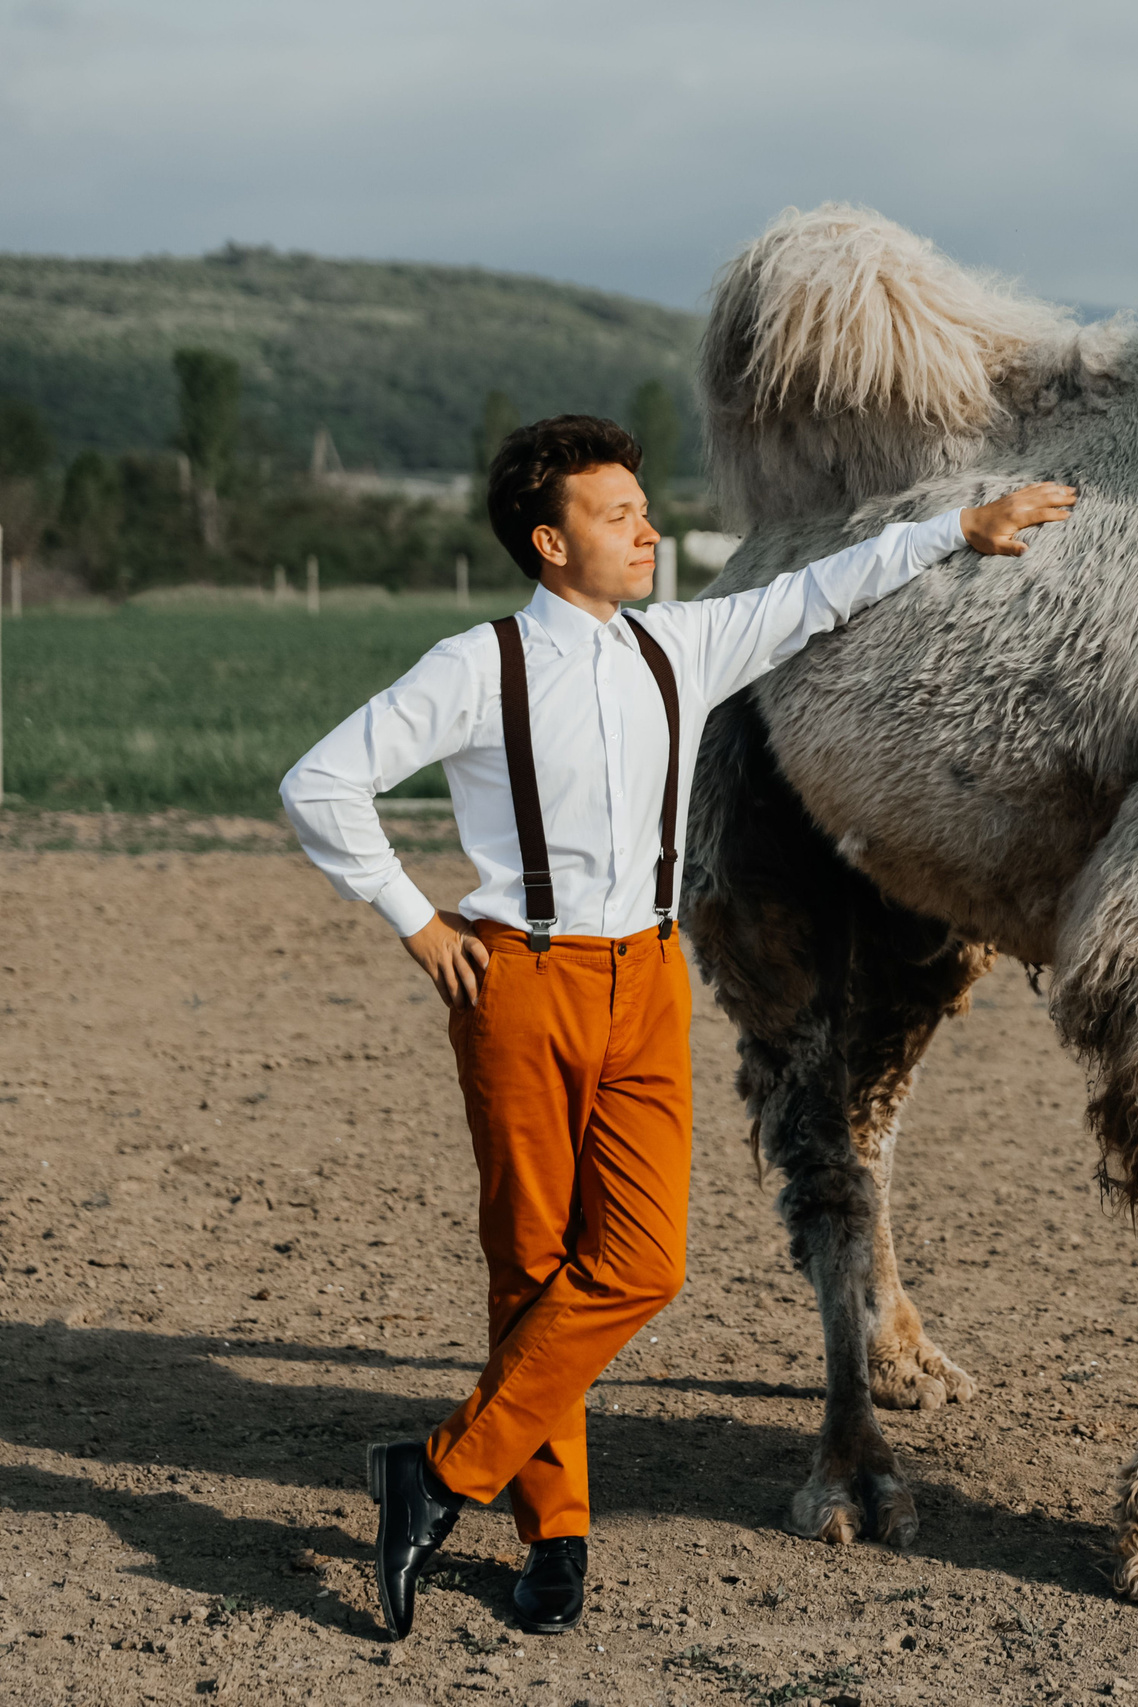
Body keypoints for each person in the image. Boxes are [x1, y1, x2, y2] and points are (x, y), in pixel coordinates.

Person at [280, 414, 1074, 1639]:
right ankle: (555, 1532)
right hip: (518, 981)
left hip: (648, 981)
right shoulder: (475, 668)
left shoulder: (678, 647)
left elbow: (822, 591)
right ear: (550, 543)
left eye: (643, 509)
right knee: (533, 1267)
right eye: (617, 515)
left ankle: (437, 1474)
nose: (648, 530)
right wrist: (416, 921)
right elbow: (320, 782)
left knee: (643, 1264)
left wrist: (958, 531)